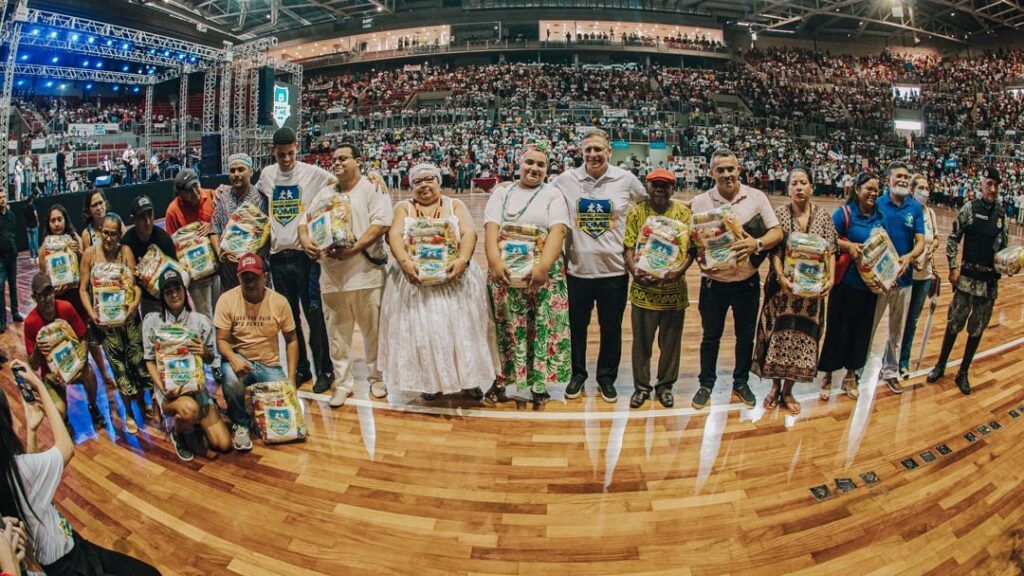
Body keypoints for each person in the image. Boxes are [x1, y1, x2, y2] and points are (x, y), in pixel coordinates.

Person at [0, 359, 161, 575]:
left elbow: (29, 487)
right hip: (68, 564)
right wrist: (40, 387)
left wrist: (32, 431)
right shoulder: (17, 469)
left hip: (72, 547)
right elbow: (65, 449)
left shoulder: (10, 471)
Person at [380, 161, 498, 402]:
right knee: (425, 333)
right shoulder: (404, 207)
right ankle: (430, 382)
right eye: (417, 182)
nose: (423, 185)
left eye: (429, 180)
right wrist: (405, 263)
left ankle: (469, 381)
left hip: (456, 279)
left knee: (463, 332)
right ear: (410, 185)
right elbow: (393, 235)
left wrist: (463, 260)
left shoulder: (455, 204)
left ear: (439, 181)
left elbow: (470, 233)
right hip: (415, 281)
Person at [554, 128, 646, 403]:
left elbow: (646, 207)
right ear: (581, 152)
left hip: (615, 272)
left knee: (611, 328)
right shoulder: (565, 180)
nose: (593, 154)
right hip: (577, 270)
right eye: (588, 150)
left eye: (598, 149)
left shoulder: (626, 179)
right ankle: (577, 375)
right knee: (576, 327)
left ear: (609, 151)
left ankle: (606, 378)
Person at [299, 144, 392, 407]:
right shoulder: (324, 193)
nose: (337, 163)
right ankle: (343, 383)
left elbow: (380, 223)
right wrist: (306, 241)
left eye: (343, 159)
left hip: (366, 275)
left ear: (358, 161)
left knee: (372, 332)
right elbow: (304, 222)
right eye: (334, 160)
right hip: (331, 277)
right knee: (337, 337)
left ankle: (376, 378)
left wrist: (354, 249)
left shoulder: (373, 187)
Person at [689, 149, 783, 410]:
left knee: (745, 337)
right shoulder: (700, 202)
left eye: (731, 169)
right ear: (712, 173)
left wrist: (757, 243)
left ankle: (740, 382)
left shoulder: (756, 197)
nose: (727, 174)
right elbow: (694, 239)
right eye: (721, 170)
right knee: (710, 337)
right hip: (714, 283)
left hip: (747, 283)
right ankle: (706, 383)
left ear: (739, 169)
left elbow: (777, 231)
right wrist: (699, 253)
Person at [483, 145, 570, 407]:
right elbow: (490, 229)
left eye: (541, 165)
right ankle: (500, 381)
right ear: (518, 164)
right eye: (529, 163)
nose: (534, 168)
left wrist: (543, 267)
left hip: (542, 275)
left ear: (547, 169)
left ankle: (538, 384)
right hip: (505, 274)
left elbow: (558, 231)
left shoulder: (553, 194)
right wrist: (495, 262)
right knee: (505, 329)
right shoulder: (502, 193)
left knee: (540, 329)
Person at [752, 167, 836, 413]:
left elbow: (830, 251)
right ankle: (775, 388)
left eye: (803, 183)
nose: (799, 187)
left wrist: (829, 279)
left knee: (802, 342)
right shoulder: (778, 215)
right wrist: (781, 277)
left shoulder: (823, 217)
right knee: (776, 338)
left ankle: (789, 391)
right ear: (788, 188)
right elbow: (774, 252)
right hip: (782, 292)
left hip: (811, 298)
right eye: (794, 183)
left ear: (812, 187)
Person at [257, 127, 333, 393]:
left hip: (306, 257)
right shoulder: (266, 175)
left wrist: (370, 176)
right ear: (273, 152)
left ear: (297, 148)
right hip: (278, 258)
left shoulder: (313, 172)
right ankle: (302, 368)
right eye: (281, 155)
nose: (286, 159)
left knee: (314, 316)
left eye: (290, 153)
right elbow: (255, 202)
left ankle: (325, 369)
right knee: (290, 320)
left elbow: (340, 183)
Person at [927, 167, 1008, 395]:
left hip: (989, 284)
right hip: (966, 280)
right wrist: (953, 267)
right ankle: (941, 365)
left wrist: (1010, 264)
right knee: (954, 323)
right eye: (989, 183)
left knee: (977, 329)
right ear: (981, 184)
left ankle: (963, 371)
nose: (992, 189)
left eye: (996, 185)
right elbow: (953, 239)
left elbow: (1003, 251)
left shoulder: (1002, 215)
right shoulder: (970, 209)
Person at [143, 268, 231, 461]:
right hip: (169, 392)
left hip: (196, 389)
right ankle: (177, 432)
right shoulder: (152, 322)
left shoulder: (200, 322)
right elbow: (149, 361)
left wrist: (205, 352)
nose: (174, 294)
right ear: (163, 297)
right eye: (168, 292)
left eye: (177, 289)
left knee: (223, 444)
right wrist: (163, 388)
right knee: (189, 410)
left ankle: (199, 416)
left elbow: (210, 360)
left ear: (184, 290)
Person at [213, 253, 298, 451]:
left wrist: (291, 378)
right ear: (238, 278)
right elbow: (221, 340)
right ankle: (241, 423)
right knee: (231, 380)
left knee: (285, 421)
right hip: (240, 359)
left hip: (269, 364)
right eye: (245, 277)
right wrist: (233, 359)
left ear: (265, 277)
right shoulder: (226, 300)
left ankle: (262, 410)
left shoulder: (279, 302)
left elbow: (292, 340)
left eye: (254, 277)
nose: (250, 282)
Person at [623, 168, 693, 409]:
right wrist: (635, 273)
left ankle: (665, 387)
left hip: (674, 291)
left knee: (670, 345)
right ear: (648, 187)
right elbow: (629, 247)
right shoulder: (637, 213)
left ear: (673, 189)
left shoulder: (683, 213)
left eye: (666, 185)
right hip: (643, 291)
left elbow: (691, 250)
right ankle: (641, 388)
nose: (660, 189)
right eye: (655, 185)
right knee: (641, 344)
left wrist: (679, 271)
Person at [79, 214, 149, 435]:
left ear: (120, 234)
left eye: (114, 234)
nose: (109, 238)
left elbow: (136, 286)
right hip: (106, 327)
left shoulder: (125, 252)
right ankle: (128, 412)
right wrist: (92, 315)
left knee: (138, 364)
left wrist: (133, 305)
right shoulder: (90, 254)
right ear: (99, 232)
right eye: (105, 233)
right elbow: (82, 289)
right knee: (119, 369)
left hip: (129, 321)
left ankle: (142, 402)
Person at [818, 172, 886, 399]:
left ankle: (850, 377)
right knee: (837, 331)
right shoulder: (844, 213)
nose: (873, 193)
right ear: (857, 190)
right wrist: (848, 246)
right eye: (869, 188)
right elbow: (827, 238)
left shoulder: (879, 217)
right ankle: (827, 376)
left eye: (876, 190)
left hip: (870, 288)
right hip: (845, 284)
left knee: (861, 334)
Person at [23, 273, 105, 427]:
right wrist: (37, 348)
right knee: (57, 412)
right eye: (42, 295)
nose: (48, 298)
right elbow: (33, 365)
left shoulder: (65, 307)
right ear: (34, 298)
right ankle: (64, 417)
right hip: (51, 375)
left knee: (89, 372)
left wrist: (81, 361)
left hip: (73, 366)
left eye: (50, 293)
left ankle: (93, 406)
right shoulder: (30, 322)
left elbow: (83, 336)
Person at [871, 161, 924, 394]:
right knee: (869, 326)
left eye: (906, 176)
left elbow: (921, 241)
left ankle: (890, 370)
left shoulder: (915, 208)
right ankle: (858, 369)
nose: (902, 180)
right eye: (898, 176)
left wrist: (909, 257)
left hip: (904, 279)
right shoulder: (878, 204)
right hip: (879, 280)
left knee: (896, 330)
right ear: (888, 180)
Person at [165, 169, 223, 381]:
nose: (196, 192)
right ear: (180, 193)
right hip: (197, 277)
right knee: (205, 319)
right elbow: (174, 247)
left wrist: (212, 226)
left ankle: (225, 356)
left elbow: (225, 221)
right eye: (189, 191)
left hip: (218, 269)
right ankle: (214, 363)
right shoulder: (173, 211)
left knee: (221, 315)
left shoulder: (212, 195)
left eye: (197, 186)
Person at [898, 174, 940, 379]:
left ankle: (903, 361)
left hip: (925, 275)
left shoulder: (930, 213)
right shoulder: (906, 211)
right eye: (921, 187)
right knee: (898, 320)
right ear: (912, 190)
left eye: (927, 187)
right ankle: (888, 360)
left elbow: (937, 238)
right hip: (907, 274)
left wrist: (934, 246)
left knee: (913, 320)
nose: (925, 191)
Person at [212, 153, 265, 292]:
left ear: (251, 172)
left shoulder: (261, 198)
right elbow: (214, 228)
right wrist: (219, 253)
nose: (236, 174)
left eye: (241, 170)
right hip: (229, 272)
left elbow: (268, 235)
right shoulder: (222, 199)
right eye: (232, 170)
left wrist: (253, 257)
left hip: (254, 269)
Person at [120, 195, 177, 319]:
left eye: (150, 215)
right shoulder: (127, 242)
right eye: (142, 218)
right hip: (144, 299)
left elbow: (176, 273)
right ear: (133, 219)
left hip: (167, 294)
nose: (148, 222)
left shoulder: (164, 239)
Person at [0, 191, 21, 334]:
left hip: (11, 257)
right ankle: (2, 320)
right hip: (0, 258)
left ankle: (15, 312)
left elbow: (12, 233)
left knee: (13, 286)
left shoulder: (11, 215)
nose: (2, 199)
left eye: (3, 197)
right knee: (0, 289)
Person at [23, 193, 39, 265]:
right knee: (35, 242)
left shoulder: (25, 207)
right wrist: (37, 221)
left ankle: (31, 257)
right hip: (33, 226)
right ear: (32, 200)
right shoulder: (32, 206)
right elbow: (36, 214)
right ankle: (37, 257)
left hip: (28, 226)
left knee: (30, 243)